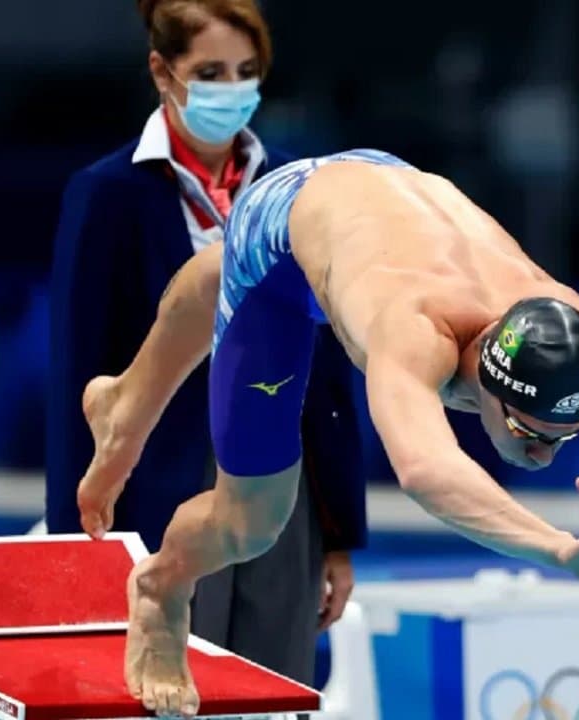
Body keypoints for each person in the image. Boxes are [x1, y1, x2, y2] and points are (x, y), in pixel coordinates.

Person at [75, 147, 579, 716]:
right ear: (481, 375)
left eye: (561, 436)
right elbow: (427, 473)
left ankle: (123, 403)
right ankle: (161, 585)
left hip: (382, 187)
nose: (542, 454)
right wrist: (560, 552)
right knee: (254, 520)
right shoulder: (415, 328)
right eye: (527, 433)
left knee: (220, 282)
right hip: (287, 228)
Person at [45, 0, 365, 689]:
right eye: (211, 72)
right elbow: (81, 367)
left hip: (285, 483)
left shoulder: (302, 187)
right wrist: (75, 544)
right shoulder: (108, 194)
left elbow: (332, 369)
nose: (233, 88)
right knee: (165, 688)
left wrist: (338, 534)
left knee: (277, 687)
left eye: (247, 72)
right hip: (162, 485)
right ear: (164, 72)